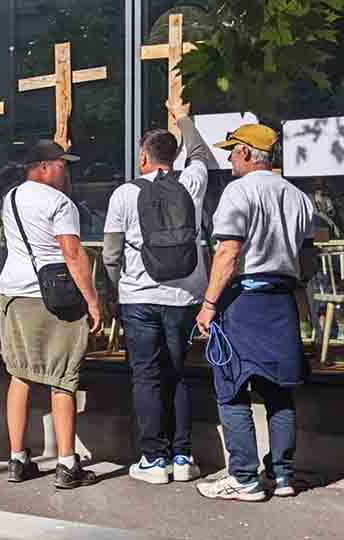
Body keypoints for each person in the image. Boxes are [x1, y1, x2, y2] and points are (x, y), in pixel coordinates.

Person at [195, 125, 315, 502]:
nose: (230, 159)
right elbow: (307, 259)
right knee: (279, 392)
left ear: (247, 153)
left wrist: (209, 304)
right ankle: (282, 476)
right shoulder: (298, 197)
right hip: (281, 300)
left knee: (231, 390)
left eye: (232, 152)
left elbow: (228, 253)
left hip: (242, 302)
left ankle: (244, 477)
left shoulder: (239, 191)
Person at [101, 101, 212, 484]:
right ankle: (183, 458)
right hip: (184, 297)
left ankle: (153, 460)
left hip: (139, 297)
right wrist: (182, 114)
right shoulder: (192, 182)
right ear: (174, 156)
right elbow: (199, 151)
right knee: (178, 374)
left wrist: (116, 292)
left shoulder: (124, 194)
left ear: (144, 157)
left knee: (147, 377)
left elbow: (112, 253)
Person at [0, 140, 102, 489]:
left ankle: (17, 459)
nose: (66, 170)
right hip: (53, 297)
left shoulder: (10, 198)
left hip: (13, 292)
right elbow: (72, 253)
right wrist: (93, 300)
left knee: (20, 375)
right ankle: (66, 464)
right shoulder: (60, 202)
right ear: (43, 166)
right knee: (62, 377)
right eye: (62, 164)